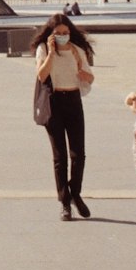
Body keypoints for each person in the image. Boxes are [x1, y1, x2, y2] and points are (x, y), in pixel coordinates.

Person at [33, 12, 95, 219]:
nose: (62, 35)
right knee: (60, 158)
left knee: (79, 154)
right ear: (50, 34)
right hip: (54, 102)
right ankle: (65, 202)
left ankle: (75, 193)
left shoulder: (77, 50)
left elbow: (89, 78)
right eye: (58, 33)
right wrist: (51, 53)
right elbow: (41, 76)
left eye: (65, 32)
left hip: (74, 100)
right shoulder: (43, 49)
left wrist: (80, 69)